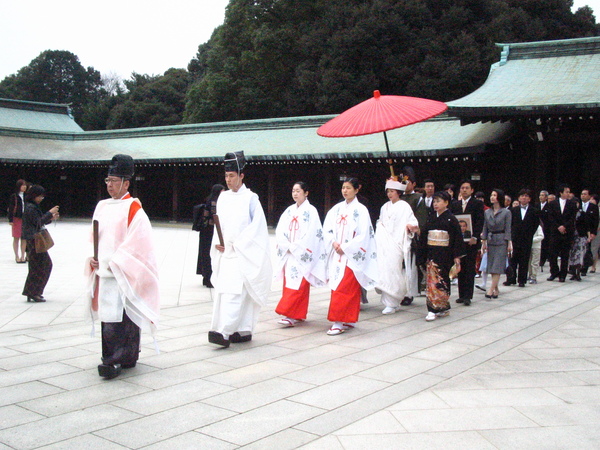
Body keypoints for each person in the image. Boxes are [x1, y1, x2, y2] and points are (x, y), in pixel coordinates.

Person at [85, 154, 160, 379]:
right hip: (105, 270)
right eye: (107, 180)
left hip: (122, 270)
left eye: (114, 181)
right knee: (110, 317)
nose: (109, 185)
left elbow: (140, 242)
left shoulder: (133, 208)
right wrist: (92, 257)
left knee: (126, 316)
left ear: (126, 183)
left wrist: (118, 262)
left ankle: (124, 357)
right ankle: (112, 358)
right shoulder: (101, 206)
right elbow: (93, 237)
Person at [208, 151, 272, 347]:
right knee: (225, 292)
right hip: (226, 252)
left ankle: (225, 332)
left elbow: (258, 227)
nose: (228, 180)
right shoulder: (223, 198)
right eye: (226, 176)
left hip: (243, 252)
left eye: (232, 176)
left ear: (241, 176)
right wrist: (217, 243)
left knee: (237, 294)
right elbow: (220, 226)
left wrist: (241, 244)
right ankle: (240, 330)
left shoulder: (251, 198)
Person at [323, 177, 377, 335]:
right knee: (338, 286)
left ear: (356, 190)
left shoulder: (361, 210)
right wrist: (333, 243)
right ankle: (345, 318)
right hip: (337, 254)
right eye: (343, 187)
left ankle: (340, 321)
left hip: (351, 256)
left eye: (348, 188)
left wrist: (346, 247)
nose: (345, 190)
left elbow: (364, 234)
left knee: (347, 288)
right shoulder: (336, 209)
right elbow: (327, 228)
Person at [274, 181, 327, 326]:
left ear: (306, 193)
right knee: (290, 282)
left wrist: (296, 247)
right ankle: (296, 314)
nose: (295, 193)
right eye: (293, 191)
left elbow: (313, 234)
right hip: (289, 253)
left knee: (300, 284)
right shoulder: (289, 210)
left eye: (298, 191)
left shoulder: (311, 211)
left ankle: (290, 314)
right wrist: (286, 245)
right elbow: (280, 230)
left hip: (302, 254)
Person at [375, 178, 418, 315]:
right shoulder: (384, 207)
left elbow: (412, 221)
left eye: (392, 191)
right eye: (388, 191)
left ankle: (393, 303)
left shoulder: (404, 206)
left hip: (397, 243)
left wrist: (411, 227)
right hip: (384, 243)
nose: (389, 194)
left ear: (398, 192)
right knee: (384, 270)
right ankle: (391, 302)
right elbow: (380, 222)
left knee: (394, 270)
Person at [421, 191, 463, 321]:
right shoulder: (431, 217)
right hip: (432, 253)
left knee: (443, 281)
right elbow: (424, 236)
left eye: (438, 201)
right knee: (432, 282)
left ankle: (442, 307)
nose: (435, 204)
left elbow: (456, 238)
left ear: (446, 203)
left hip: (445, 254)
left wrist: (456, 256)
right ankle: (432, 309)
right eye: (434, 201)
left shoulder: (451, 219)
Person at [22, 185, 59, 303]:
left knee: (37, 266)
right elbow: (38, 222)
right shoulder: (30, 208)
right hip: (34, 240)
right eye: (40, 196)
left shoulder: (32, 207)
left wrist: (50, 218)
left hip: (33, 238)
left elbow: (37, 222)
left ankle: (33, 291)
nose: (41, 198)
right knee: (42, 266)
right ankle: (34, 292)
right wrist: (49, 213)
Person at [451, 180, 484, 306]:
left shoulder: (477, 204)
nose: (464, 190)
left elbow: (480, 221)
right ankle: (461, 294)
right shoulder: (455, 204)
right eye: (462, 188)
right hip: (459, 242)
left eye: (467, 188)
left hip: (471, 241)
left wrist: (475, 236)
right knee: (460, 267)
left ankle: (468, 296)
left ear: (472, 190)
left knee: (469, 268)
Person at [398, 167, 428, 305]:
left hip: (410, 237)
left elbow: (420, 219)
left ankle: (409, 293)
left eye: (408, 181)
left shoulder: (418, 199)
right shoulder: (398, 198)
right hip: (397, 237)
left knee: (410, 266)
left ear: (414, 184)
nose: (405, 185)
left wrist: (414, 229)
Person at [481, 189, 512, 299]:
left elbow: (508, 229)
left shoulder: (506, 212)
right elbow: (485, 227)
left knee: (497, 266)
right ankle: (496, 288)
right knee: (491, 265)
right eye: (491, 195)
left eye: (494, 195)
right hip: (490, 240)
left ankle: (490, 289)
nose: (492, 197)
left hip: (501, 240)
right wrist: (483, 241)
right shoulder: (487, 212)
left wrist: (509, 243)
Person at [505, 189, 540, 287]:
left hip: (526, 239)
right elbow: (510, 224)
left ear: (529, 199)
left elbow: (535, 224)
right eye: (522, 196)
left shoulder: (534, 211)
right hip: (515, 239)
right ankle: (511, 279)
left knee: (524, 260)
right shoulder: (513, 210)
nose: (524, 197)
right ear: (519, 198)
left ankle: (522, 280)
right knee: (512, 260)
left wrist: (529, 234)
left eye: (526, 196)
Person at [193, 184, 225, 287]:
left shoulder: (209, 200)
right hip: (211, 231)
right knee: (210, 254)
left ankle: (206, 277)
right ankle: (209, 278)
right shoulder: (215, 203)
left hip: (205, 231)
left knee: (204, 253)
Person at [546, 184, 578, 282]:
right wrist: (558, 226)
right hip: (555, 232)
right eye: (566, 192)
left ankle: (563, 274)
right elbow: (551, 217)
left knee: (565, 254)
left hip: (567, 232)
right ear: (561, 193)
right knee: (552, 254)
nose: (568, 194)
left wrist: (564, 226)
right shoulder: (553, 203)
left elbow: (572, 217)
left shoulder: (572, 204)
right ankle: (554, 272)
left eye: (569, 192)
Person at [568, 197, 592, 281]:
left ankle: (578, 273)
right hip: (571, 237)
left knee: (579, 255)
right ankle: (573, 272)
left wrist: (589, 236)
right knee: (572, 255)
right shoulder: (569, 213)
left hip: (581, 237)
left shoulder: (583, 213)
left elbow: (587, 226)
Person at [8, 179, 29, 263]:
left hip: (25, 218)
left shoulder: (27, 196)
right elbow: (11, 208)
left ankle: (23, 255)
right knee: (16, 238)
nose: (24, 187)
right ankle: (17, 256)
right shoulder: (14, 196)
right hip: (17, 218)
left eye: (25, 185)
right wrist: (10, 219)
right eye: (22, 185)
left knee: (24, 238)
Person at [580, 189, 599, 276]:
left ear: (589, 196)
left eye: (585, 194)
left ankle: (584, 268)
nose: (583, 195)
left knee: (587, 250)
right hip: (579, 231)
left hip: (589, 232)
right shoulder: (577, 205)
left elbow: (596, 221)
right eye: (582, 194)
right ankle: (575, 268)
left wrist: (593, 233)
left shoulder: (593, 207)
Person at [539, 190, 550, 272]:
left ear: (546, 197)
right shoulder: (536, 206)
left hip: (546, 228)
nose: (541, 197)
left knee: (544, 245)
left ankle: (542, 260)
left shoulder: (549, 206)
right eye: (540, 195)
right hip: (537, 228)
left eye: (543, 195)